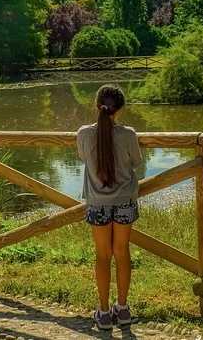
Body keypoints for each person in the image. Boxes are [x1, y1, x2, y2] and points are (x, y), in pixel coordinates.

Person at [77, 84, 141, 330]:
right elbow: (136, 161)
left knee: (102, 255)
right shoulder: (128, 134)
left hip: (97, 203)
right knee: (122, 253)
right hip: (125, 200)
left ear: (96, 106)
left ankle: (104, 313)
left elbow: (83, 158)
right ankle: (122, 310)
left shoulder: (83, 133)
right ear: (121, 110)